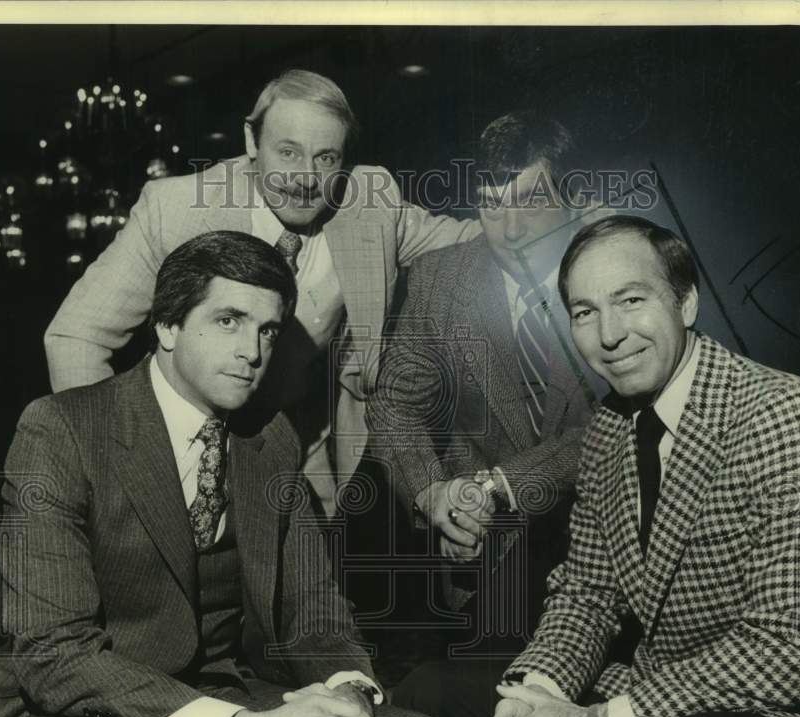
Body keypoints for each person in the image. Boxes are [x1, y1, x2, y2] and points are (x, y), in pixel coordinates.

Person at [0, 231, 462, 717]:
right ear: (168, 326)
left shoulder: (271, 439)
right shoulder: (62, 431)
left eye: (267, 329)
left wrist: (347, 689)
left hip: (231, 689)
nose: (253, 351)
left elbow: (312, 613)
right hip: (80, 707)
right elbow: (54, 652)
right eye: (229, 320)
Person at [415, 215, 800, 717]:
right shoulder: (608, 430)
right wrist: (535, 692)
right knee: (429, 693)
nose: (609, 334)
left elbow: (790, 650)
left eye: (631, 300)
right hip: (654, 690)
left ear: (686, 302)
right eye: (585, 312)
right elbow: (587, 595)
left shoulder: (786, 416)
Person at [44, 68, 479, 518]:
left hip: (306, 446)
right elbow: (75, 336)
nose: (305, 178)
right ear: (252, 142)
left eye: (325, 158)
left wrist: (548, 220)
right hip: (188, 439)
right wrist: (120, 458)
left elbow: (478, 240)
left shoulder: (369, 204)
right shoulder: (176, 211)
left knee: (314, 575)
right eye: (288, 152)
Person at [368, 111, 601, 717]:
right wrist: (433, 493)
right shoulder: (442, 278)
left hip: (605, 554)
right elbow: (393, 405)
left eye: (531, 201)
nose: (511, 228)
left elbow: (619, 421)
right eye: (493, 204)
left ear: (575, 201)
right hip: (485, 570)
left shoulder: (618, 266)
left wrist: (499, 486)